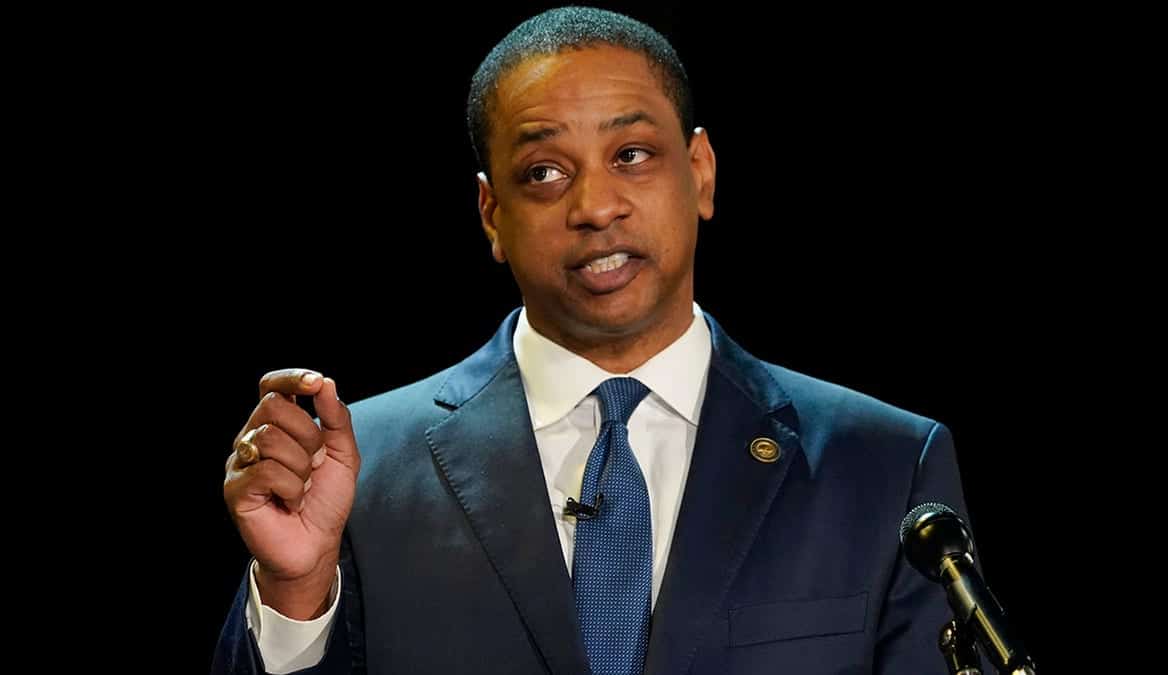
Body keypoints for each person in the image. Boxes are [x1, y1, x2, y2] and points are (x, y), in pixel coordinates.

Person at [212, 7, 977, 674]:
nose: (596, 206)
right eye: (544, 171)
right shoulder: (357, 473)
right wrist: (294, 593)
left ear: (701, 171)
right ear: (491, 215)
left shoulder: (884, 466)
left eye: (631, 155)